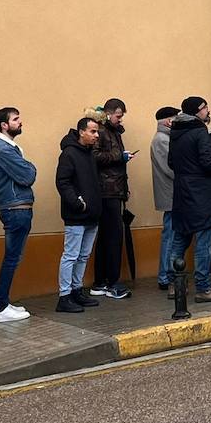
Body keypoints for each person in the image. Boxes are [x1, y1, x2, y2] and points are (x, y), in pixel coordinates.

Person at [167, 97, 211, 303]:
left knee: (180, 239)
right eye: (204, 108)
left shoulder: (176, 132)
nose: (208, 111)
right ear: (196, 112)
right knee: (204, 241)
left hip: (182, 191)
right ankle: (203, 287)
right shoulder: (199, 131)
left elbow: (171, 162)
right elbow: (208, 160)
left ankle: (175, 285)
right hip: (202, 193)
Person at [0, 106, 36, 323]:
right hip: (15, 209)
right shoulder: (2, 150)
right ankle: (0, 306)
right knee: (12, 258)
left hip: (17, 207)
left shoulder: (9, 148)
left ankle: (3, 303)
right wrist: (30, 167)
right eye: (16, 119)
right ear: (4, 125)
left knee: (13, 258)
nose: (20, 122)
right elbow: (28, 175)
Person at [55, 118, 104, 314]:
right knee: (71, 256)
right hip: (76, 215)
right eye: (93, 131)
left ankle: (77, 290)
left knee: (83, 256)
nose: (96, 135)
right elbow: (62, 182)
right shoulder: (69, 154)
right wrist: (77, 203)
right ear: (81, 132)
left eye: (97, 131)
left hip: (92, 214)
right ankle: (64, 296)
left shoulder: (89, 154)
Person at [90, 98, 132, 300]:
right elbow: (95, 156)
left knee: (107, 237)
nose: (120, 119)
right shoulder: (101, 131)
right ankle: (111, 283)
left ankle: (101, 282)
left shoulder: (112, 131)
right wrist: (120, 156)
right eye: (118, 115)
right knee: (113, 237)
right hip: (107, 190)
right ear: (109, 113)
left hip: (113, 189)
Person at [150, 105, 178, 291]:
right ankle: (165, 275)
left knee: (172, 233)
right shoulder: (161, 140)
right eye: (176, 118)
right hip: (170, 193)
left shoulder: (166, 138)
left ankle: (168, 274)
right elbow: (170, 168)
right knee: (170, 235)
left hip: (172, 193)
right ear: (168, 121)